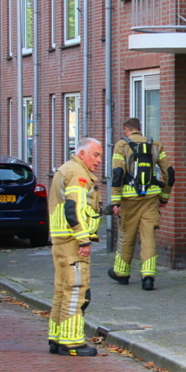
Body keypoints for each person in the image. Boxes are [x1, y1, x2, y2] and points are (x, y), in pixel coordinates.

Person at [48, 137, 104, 357]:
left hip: (61, 240)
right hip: (72, 243)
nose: (99, 160)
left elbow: (78, 208)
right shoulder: (78, 174)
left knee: (62, 290)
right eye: (95, 155)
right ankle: (71, 342)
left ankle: (57, 337)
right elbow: (73, 209)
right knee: (76, 291)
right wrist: (83, 240)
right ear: (82, 154)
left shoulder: (66, 169)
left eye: (100, 156)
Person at [107, 118, 175, 291]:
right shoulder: (155, 145)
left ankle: (121, 273)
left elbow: (117, 173)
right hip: (151, 198)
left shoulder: (121, 145)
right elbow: (169, 173)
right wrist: (164, 197)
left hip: (129, 199)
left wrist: (115, 200)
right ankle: (148, 277)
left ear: (126, 129)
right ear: (139, 128)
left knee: (126, 235)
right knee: (148, 237)